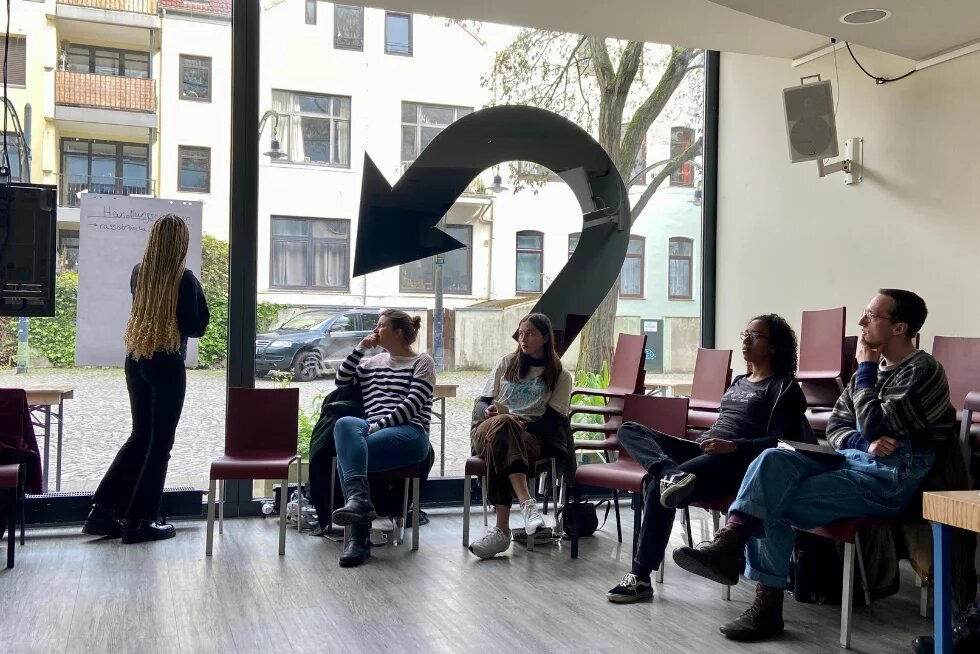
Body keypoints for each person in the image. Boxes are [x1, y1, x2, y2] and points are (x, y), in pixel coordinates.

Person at [673, 289, 956, 642]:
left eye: (872, 316)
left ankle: (763, 599)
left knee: (769, 499)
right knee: (772, 459)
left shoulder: (922, 370)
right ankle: (733, 545)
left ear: (899, 328)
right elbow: (839, 428)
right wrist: (862, 442)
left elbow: (873, 423)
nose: (861, 323)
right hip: (852, 464)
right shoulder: (864, 377)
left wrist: (866, 375)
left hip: (888, 481)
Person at [606, 314, 806, 603]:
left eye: (755, 336)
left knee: (655, 484)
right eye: (744, 334)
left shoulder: (784, 388)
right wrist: (706, 445)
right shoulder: (739, 381)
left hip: (735, 461)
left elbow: (782, 443)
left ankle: (640, 576)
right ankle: (669, 472)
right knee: (630, 429)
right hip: (703, 448)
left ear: (774, 346)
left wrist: (733, 446)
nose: (746, 341)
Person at [83, 214, 209, 544]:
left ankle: (102, 511)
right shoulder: (184, 279)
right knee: (160, 445)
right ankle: (141, 520)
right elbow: (196, 326)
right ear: (181, 243)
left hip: (136, 358)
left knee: (140, 436)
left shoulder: (140, 273)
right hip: (167, 362)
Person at [331, 309, 435, 567]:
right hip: (371, 428)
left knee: (351, 455)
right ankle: (359, 502)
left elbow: (412, 406)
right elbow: (340, 380)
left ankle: (358, 538)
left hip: (410, 432)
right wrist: (359, 349)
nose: (375, 331)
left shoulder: (422, 362)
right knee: (344, 425)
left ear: (397, 332)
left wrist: (378, 426)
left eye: (380, 326)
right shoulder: (370, 363)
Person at [468, 312, 572, 559]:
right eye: (521, 333)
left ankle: (501, 532)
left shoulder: (560, 375)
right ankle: (527, 504)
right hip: (489, 427)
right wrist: (490, 411)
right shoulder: (505, 363)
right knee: (504, 425)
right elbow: (480, 404)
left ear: (546, 338)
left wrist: (523, 426)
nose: (523, 339)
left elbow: (554, 421)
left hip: (530, 434)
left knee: (506, 440)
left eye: (530, 334)